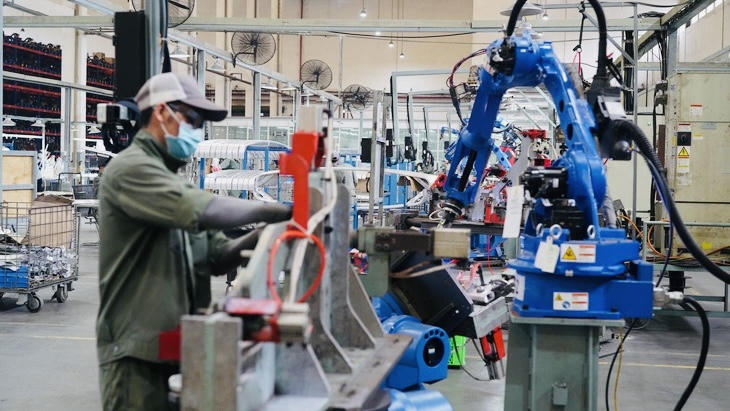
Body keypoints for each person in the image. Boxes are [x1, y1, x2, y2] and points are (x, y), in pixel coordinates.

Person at [96, 72, 291, 411]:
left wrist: (267, 233)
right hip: (135, 355)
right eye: (194, 120)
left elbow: (218, 256)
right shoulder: (131, 169)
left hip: (179, 346)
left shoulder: (172, 180)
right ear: (161, 112)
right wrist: (281, 211)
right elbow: (205, 210)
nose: (197, 132)